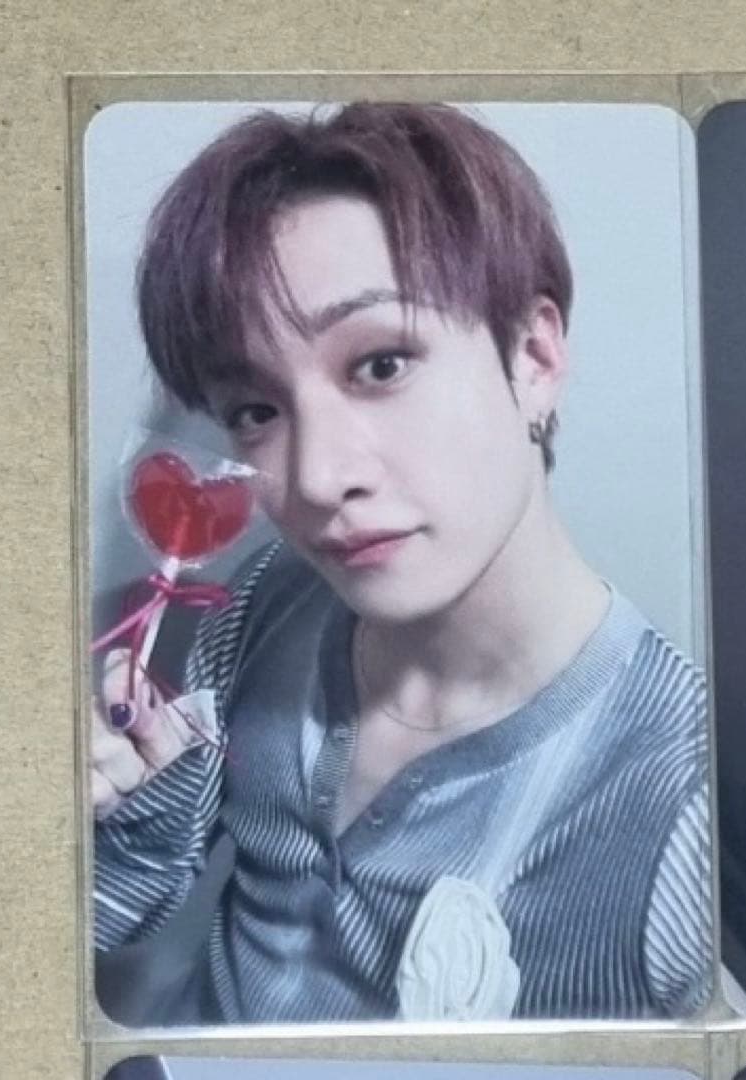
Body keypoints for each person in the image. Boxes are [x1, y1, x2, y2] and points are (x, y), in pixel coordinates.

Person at [90, 102, 712, 1026]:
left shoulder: (682, 802)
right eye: (256, 410)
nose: (316, 478)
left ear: (533, 358)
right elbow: (111, 911)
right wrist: (111, 819)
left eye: (381, 365)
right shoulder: (267, 602)